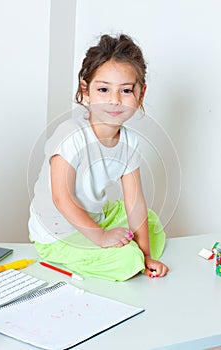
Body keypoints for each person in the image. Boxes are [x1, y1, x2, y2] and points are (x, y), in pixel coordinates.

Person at [28, 33, 169, 281]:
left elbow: (135, 202)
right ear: (86, 90)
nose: (115, 100)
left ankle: (130, 255)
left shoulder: (129, 142)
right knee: (127, 260)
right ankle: (114, 255)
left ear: (141, 94)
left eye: (126, 90)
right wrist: (102, 237)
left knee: (151, 222)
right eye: (103, 89)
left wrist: (146, 257)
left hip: (93, 217)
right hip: (58, 230)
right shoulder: (70, 134)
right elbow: (62, 198)